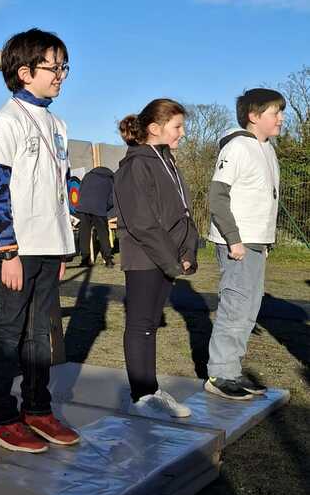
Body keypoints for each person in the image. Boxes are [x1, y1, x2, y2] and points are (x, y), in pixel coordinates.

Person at [0, 28, 80, 454]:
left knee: (41, 334)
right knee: (7, 333)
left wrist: (64, 245)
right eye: (52, 67)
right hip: (16, 251)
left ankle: (37, 409)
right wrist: (8, 251)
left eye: (64, 67)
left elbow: (61, 189)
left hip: (49, 247)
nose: (60, 75)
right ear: (25, 72)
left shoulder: (58, 124)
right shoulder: (7, 120)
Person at [113, 99, 199, 419]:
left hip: (166, 258)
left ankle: (150, 390)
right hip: (145, 258)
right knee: (140, 325)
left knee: (150, 325)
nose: (182, 133)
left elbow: (183, 213)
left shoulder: (168, 162)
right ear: (154, 128)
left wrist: (187, 251)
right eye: (177, 127)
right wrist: (170, 261)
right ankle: (141, 395)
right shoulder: (136, 165)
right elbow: (142, 222)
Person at [205, 88, 285, 400]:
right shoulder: (237, 146)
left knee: (249, 310)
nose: (280, 118)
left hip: (257, 243)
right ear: (254, 116)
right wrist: (233, 239)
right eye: (275, 112)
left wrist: (265, 242)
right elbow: (217, 197)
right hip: (237, 243)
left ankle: (232, 370)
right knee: (235, 307)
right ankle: (219, 375)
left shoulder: (268, 149)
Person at [74, 165, 116, 267]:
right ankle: (108, 259)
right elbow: (112, 198)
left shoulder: (87, 176)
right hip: (99, 207)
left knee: (84, 233)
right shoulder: (110, 180)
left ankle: (85, 259)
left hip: (83, 206)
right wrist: (105, 207)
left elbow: (80, 190)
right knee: (103, 234)